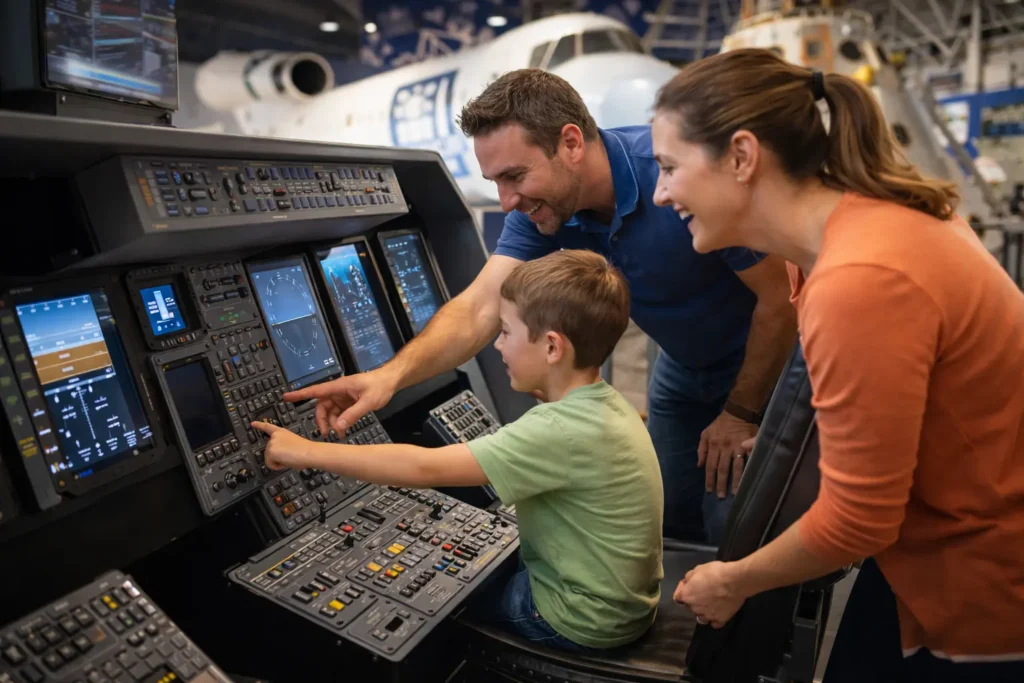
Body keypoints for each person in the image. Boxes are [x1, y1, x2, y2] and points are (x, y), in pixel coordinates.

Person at [279, 68, 798, 545]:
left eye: (514, 176)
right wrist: (388, 378)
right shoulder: (544, 208)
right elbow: (481, 307)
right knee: (674, 520)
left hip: (764, 363)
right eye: (496, 184)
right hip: (683, 367)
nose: (506, 201)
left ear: (570, 142)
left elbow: (780, 301)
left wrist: (740, 411)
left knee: (735, 526)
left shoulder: (674, 180)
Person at [651, 48, 1024, 681]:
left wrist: (733, 580)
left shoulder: (860, 280)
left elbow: (859, 518)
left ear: (742, 157)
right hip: (934, 540)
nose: (661, 193)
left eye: (670, 166)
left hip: (984, 578)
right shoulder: (850, 231)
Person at [254, 250, 665, 652]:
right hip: (620, 605)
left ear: (553, 348)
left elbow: (424, 467)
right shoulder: (603, 404)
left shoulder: (556, 430)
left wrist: (302, 450)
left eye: (505, 332)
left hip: (573, 620)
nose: (497, 346)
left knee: (435, 606)